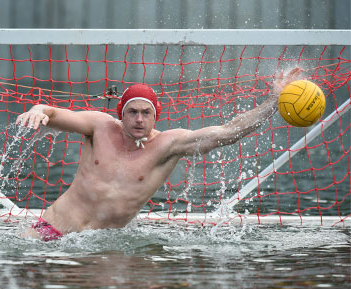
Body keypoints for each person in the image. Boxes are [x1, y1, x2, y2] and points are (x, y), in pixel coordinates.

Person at [17, 68, 302, 241]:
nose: (139, 119)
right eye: (132, 112)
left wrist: (273, 103)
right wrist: (36, 111)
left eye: (146, 113)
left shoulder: (168, 145)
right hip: (51, 229)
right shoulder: (99, 126)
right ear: (122, 114)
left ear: (155, 117)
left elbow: (227, 132)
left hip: (100, 245)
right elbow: (51, 113)